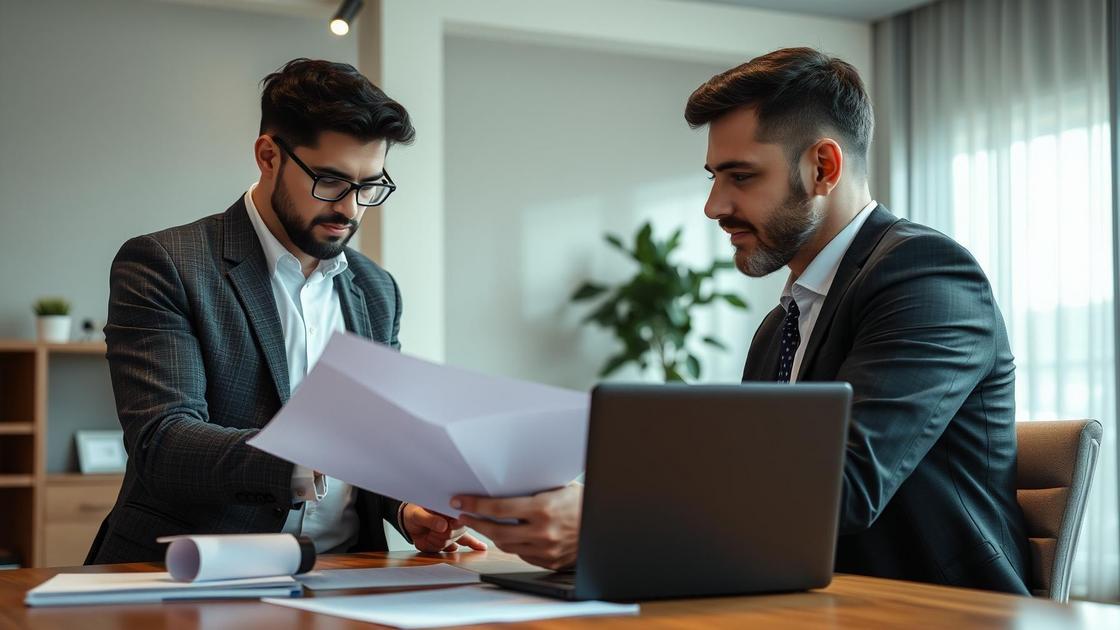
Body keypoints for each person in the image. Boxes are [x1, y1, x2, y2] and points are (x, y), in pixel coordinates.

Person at [455, 47, 1030, 594]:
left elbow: (845, 487)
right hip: (796, 599)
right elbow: (752, 487)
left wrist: (608, 521)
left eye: (741, 176)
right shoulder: (780, 328)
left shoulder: (925, 275)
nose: (714, 206)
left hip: (930, 610)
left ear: (823, 167)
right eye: (713, 177)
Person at [87, 59, 483, 564]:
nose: (351, 209)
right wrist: (311, 451)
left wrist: (408, 509)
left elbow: (377, 442)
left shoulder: (376, 290)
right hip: (191, 570)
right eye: (331, 182)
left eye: (369, 186)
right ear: (268, 155)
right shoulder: (165, 264)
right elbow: (162, 442)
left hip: (347, 572)